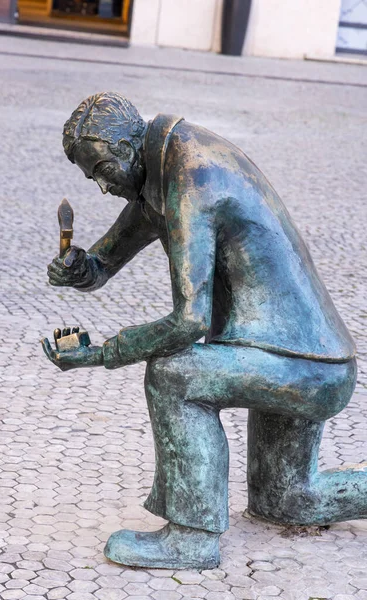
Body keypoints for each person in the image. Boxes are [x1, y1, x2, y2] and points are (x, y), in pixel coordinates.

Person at [42, 92, 365, 570]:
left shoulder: (194, 179)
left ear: (129, 147)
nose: (104, 188)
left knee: (175, 373)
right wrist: (81, 269)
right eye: (93, 179)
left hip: (299, 365)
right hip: (304, 360)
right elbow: (103, 262)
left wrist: (104, 353)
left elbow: (189, 321)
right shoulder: (160, 167)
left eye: (104, 171)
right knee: (288, 500)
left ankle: (191, 537)